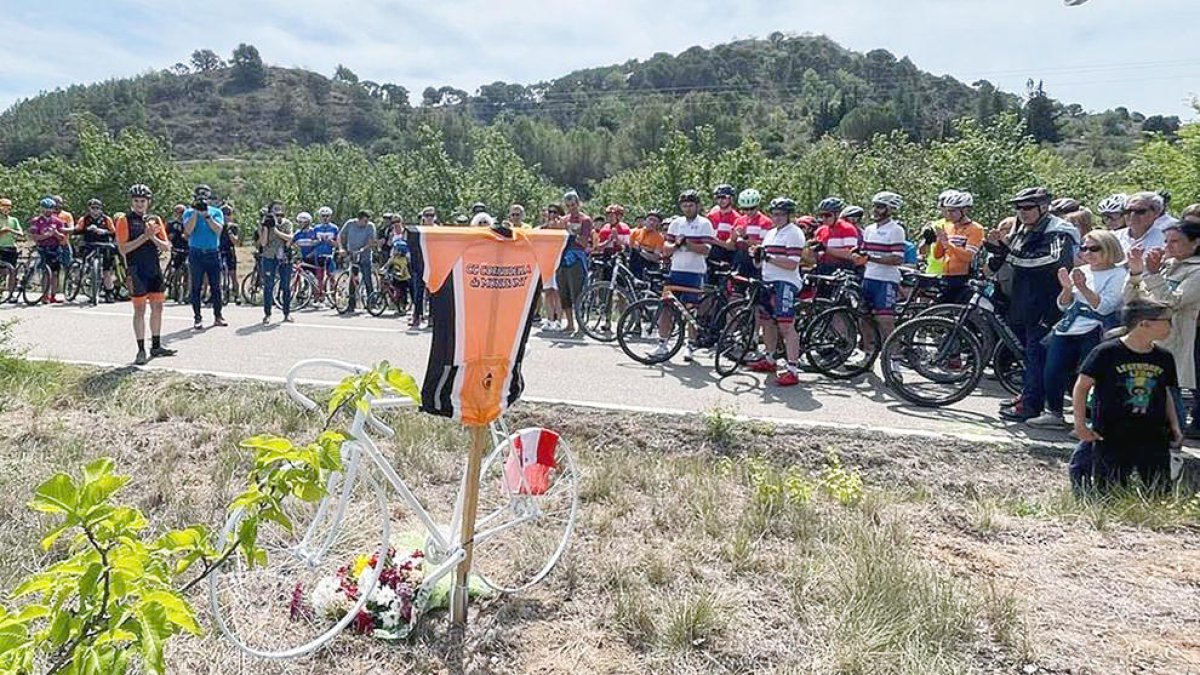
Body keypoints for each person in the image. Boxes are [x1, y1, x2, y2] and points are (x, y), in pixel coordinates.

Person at [1072, 299, 1181, 493]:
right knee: (1109, 490)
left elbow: (1165, 392)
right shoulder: (1106, 352)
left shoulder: (1164, 357)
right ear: (1144, 323)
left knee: (1158, 490)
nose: (1171, 326)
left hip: (1153, 435)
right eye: (1167, 320)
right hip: (1112, 434)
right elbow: (1082, 387)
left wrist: (1174, 426)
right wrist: (1080, 425)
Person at [990, 187, 1080, 422]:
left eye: (1028, 207)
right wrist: (998, 249)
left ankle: (1032, 406)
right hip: (1025, 300)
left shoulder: (1059, 231)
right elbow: (1013, 254)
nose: (1022, 212)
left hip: (1048, 303)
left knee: (1037, 355)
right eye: (1018, 207)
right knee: (1030, 355)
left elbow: (1051, 261)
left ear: (1044, 207)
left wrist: (1009, 254)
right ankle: (1029, 395)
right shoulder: (1025, 227)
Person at [1028, 229, 1127, 428]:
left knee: (1089, 376)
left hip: (1096, 329)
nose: (1087, 252)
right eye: (1084, 248)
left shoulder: (1118, 274)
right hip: (1068, 327)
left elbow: (1105, 306)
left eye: (1094, 248)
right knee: (1053, 369)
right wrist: (1066, 289)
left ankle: (1090, 420)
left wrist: (1082, 288)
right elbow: (1064, 305)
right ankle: (1054, 413)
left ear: (1108, 248)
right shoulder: (1083, 271)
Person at [1124, 207, 1200, 436]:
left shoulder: (1196, 271)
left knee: (1169, 387)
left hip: (1174, 338)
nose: (1167, 247)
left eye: (1175, 242)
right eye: (1166, 241)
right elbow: (1133, 299)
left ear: (1195, 243)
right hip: (1147, 336)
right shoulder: (1165, 266)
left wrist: (1154, 274)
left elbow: (1173, 302)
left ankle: (1177, 437)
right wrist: (1137, 273)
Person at [747, 197, 806, 386]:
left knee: (787, 326)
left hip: (786, 282)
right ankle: (770, 359)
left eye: (781, 214)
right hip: (768, 280)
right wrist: (757, 256)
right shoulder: (771, 233)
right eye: (774, 214)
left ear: (789, 216)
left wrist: (769, 258)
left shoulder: (794, 233)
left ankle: (793, 369)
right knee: (767, 322)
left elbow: (792, 263)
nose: (777, 217)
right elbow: (763, 260)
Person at [115, 184, 175, 365]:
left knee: (158, 307)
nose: (140, 204)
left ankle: (156, 345)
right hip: (136, 269)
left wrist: (153, 236)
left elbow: (166, 246)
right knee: (139, 310)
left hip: (153, 269)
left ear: (148, 202)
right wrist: (144, 236)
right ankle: (140, 349)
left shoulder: (154, 220)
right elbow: (123, 248)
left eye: (143, 201)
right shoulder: (124, 220)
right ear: (132, 202)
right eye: (136, 201)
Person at [653, 189, 715, 362]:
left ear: (697, 206)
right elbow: (666, 248)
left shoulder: (705, 223)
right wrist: (675, 246)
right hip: (676, 270)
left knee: (690, 310)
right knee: (666, 307)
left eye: (691, 205)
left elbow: (706, 250)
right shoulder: (676, 223)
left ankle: (690, 345)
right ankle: (662, 344)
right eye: (685, 205)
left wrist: (687, 243)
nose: (687, 209)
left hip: (695, 272)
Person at [855, 191, 907, 348]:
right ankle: (868, 355)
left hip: (886, 280)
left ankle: (894, 358)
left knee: (885, 320)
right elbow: (864, 251)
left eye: (881, 207)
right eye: (875, 206)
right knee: (863, 317)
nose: (876, 210)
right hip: (869, 277)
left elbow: (897, 258)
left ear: (890, 209)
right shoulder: (869, 229)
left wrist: (871, 258)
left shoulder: (896, 230)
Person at [183, 184, 227, 330]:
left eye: (205, 197)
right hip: (196, 252)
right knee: (196, 286)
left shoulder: (216, 212)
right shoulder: (188, 212)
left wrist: (207, 215)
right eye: (200, 197)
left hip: (212, 252)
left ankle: (218, 316)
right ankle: (197, 318)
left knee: (216, 286)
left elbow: (218, 230)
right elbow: (188, 231)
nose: (203, 200)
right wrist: (196, 213)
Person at [932, 191, 985, 304]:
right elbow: (937, 256)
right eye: (947, 210)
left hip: (964, 278)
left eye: (953, 211)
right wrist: (940, 241)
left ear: (965, 210)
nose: (949, 214)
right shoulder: (947, 226)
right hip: (946, 276)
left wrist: (948, 244)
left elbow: (968, 257)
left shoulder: (975, 229)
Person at [556, 191, 592, 334]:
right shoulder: (563, 220)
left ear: (578, 203)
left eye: (573, 204)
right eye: (568, 205)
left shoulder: (585, 220)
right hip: (562, 258)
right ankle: (569, 323)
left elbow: (583, 242)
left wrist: (569, 231)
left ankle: (580, 324)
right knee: (563, 291)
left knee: (577, 292)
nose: (571, 208)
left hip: (576, 259)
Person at [258, 201, 294, 324]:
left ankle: (287, 313)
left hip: (284, 258)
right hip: (269, 257)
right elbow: (263, 243)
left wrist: (276, 229)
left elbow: (290, 238)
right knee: (268, 286)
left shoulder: (287, 223)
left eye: (280, 211)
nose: (278, 213)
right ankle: (267, 314)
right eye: (275, 210)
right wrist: (266, 228)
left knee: (285, 286)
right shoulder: (263, 223)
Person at [75, 198, 117, 301]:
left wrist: (103, 231)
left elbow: (113, 232)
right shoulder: (84, 219)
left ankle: (109, 292)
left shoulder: (106, 219)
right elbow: (76, 230)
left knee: (106, 270)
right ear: (89, 209)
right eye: (93, 208)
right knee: (85, 264)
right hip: (89, 244)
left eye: (97, 208)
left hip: (104, 244)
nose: (95, 210)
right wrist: (86, 229)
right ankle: (84, 278)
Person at [28, 197, 69, 303]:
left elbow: (62, 237)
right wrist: (46, 235)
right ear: (41, 209)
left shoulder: (58, 221)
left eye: (50, 208)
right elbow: (34, 237)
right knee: (46, 272)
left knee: (55, 273)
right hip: (42, 248)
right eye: (45, 208)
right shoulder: (36, 221)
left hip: (55, 248)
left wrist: (55, 233)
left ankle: (53, 295)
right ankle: (45, 295)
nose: (48, 211)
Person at [339, 210, 378, 312]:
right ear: (359, 219)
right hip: (352, 255)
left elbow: (372, 242)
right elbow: (340, 236)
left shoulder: (370, 227)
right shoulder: (350, 224)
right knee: (352, 279)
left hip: (364, 256)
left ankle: (371, 304)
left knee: (367, 279)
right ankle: (351, 304)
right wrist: (341, 248)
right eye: (364, 221)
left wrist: (362, 250)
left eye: (367, 221)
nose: (366, 223)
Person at [538, 203, 568, 331]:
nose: (552, 215)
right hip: (546, 264)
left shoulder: (563, 231)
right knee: (548, 292)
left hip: (559, 263)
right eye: (550, 212)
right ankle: (550, 320)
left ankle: (559, 321)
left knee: (557, 293)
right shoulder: (542, 229)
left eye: (555, 212)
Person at [811, 196, 858, 276]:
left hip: (841, 272)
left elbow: (851, 255)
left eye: (827, 215)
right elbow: (815, 258)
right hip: (823, 270)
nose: (823, 218)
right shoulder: (820, 230)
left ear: (837, 214)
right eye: (821, 215)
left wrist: (826, 249)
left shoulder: (848, 229)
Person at [731, 189, 772, 277]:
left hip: (755, 260)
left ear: (757, 206)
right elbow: (732, 241)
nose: (749, 212)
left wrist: (745, 238)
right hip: (739, 258)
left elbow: (765, 244)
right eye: (745, 209)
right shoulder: (739, 220)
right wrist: (734, 237)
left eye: (752, 208)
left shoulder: (766, 222)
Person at [707, 184, 739, 271]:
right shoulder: (711, 216)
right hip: (710, 256)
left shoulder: (737, 218)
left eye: (724, 197)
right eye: (718, 197)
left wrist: (713, 240)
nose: (721, 200)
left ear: (731, 199)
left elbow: (732, 246)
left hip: (726, 257)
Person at [312, 206, 339, 305]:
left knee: (331, 276)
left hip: (330, 255)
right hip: (319, 255)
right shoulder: (316, 228)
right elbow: (312, 242)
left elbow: (338, 243)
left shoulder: (334, 228)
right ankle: (320, 298)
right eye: (323, 216)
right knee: (319, 277)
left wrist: (332, 242)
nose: (325, 218)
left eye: (327, 216)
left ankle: (334, 298)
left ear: (330, 217)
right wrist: (317, 241)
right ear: (320, 217)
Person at [629, 209, 666, 281]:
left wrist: (640, 249)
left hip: (648, 267)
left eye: (655, 221)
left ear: (658, 224)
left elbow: (655, 258)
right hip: (633, 264)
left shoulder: (659, 237)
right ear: (645, 220)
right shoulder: (635, 232)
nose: (652, 222)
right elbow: (630, 249)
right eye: (650, 219)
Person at [0, 198, 23, 298]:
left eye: (8, 207)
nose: (6, 209)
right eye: (4, 207)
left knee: (12, 271)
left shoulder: (13, 220)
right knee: (2, 271)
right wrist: (2, 231)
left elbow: (20, 233)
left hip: (11, 247)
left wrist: (11, 230)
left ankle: (11, 293)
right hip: (0, 247)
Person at [219, 204, 241, 303]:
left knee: (233, 274)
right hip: (219, 251)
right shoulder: (217, 226)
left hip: (229, 251)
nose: (226, 216)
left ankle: (237, 295)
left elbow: (236, 242)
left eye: (228, 214)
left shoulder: (233, 227)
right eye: (224, 214)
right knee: (216, 273)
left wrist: (230, 234)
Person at [166, 204, 189, 278]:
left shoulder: (188, 224)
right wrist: (170, 236)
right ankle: (169, 278)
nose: (179, 214)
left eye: (182, 212)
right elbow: (166, 236)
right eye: (177, 212)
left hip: (187, 249)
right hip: (176, 248)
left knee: (188, 267)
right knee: (174, 266)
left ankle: (186, 283)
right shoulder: (171, 224)